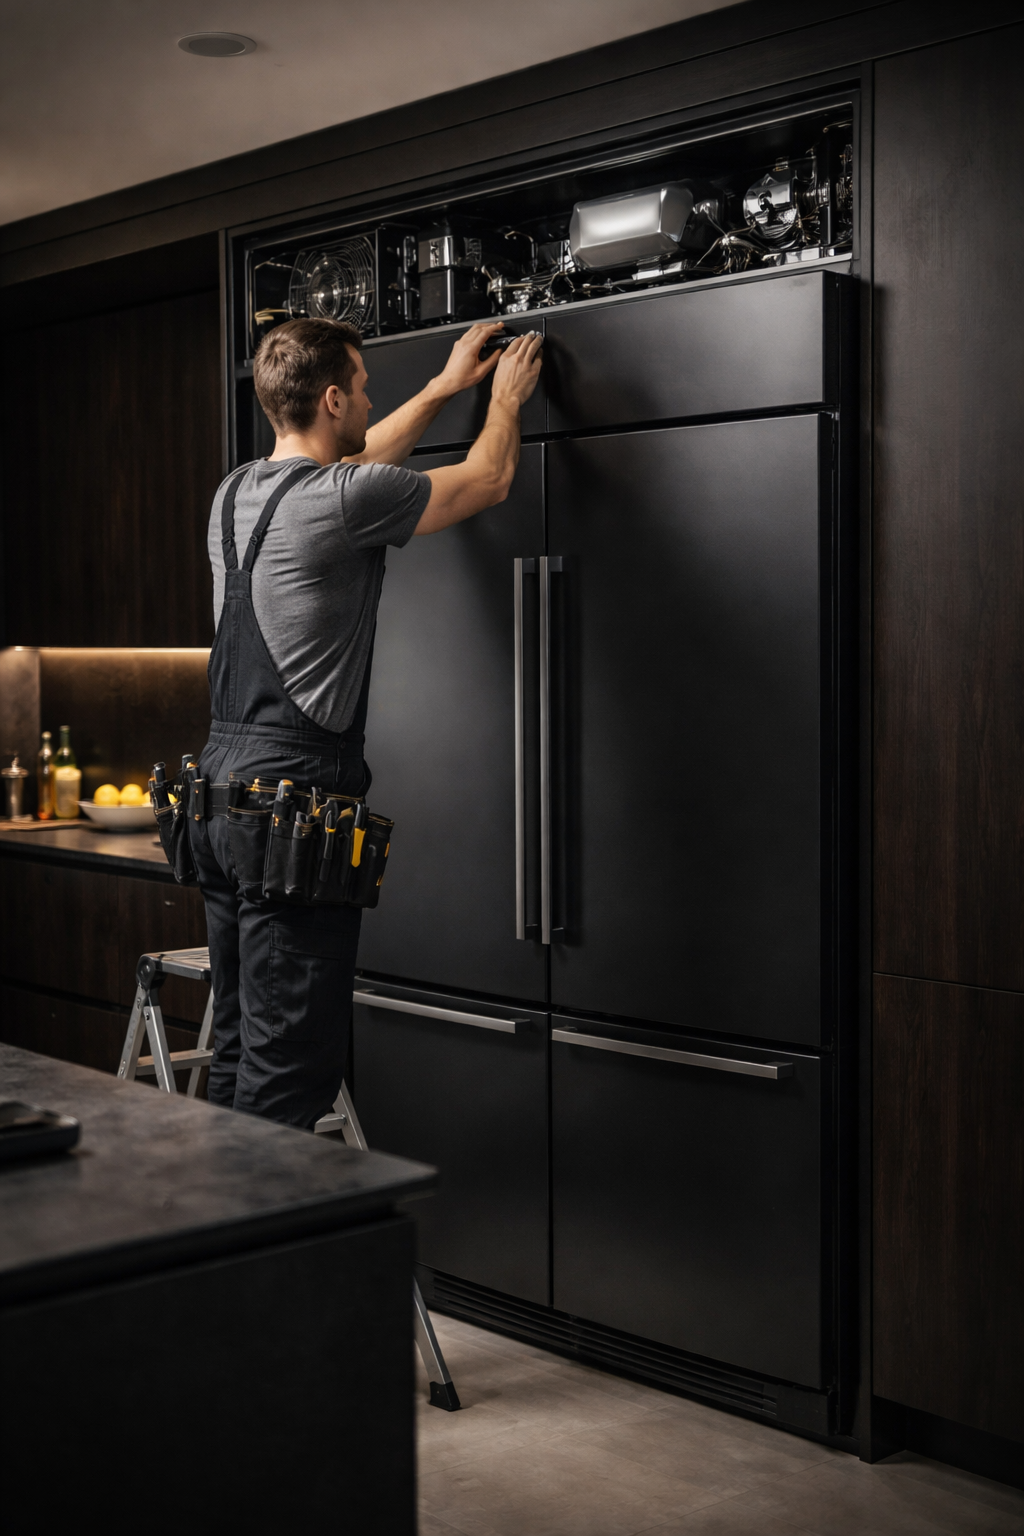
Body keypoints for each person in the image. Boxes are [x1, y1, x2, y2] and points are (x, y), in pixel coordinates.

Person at [190, 316, 543, 1127]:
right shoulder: (345, 498)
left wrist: (441, 388)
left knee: (240, 1048)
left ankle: (223, 1240)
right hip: (291, 804)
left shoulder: (236, 494)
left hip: (218, 797)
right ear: (334, 396)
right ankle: (272, 1249)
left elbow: (352, 467)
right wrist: (507, 398)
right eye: (365, 385)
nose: (371, 397)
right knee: (289, 1073)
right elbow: (488, 479)